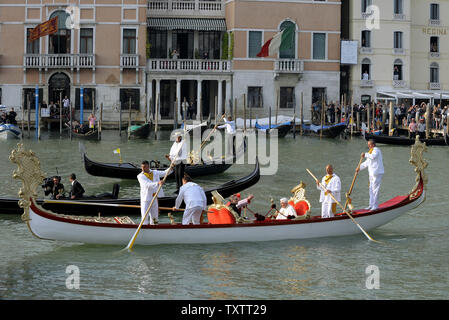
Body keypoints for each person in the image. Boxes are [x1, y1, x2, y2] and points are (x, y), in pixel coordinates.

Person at [137, 160, 172, 225]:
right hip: (146, 199)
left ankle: (154, 226)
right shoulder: (140, 176)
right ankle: (144, 226)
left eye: (145, 167)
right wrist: (158, 183)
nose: (143, 169)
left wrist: (171, 167)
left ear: (148, 167)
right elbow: (147, 185)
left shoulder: (155, 172)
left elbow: (165, 173)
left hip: (154, 197)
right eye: (142, 167)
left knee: (155, 216)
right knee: (145, 216)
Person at [356, 140, 384, 211]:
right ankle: (371, 205)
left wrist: (365, 154)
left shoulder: (376, 150)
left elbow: (373, 157)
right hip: (371, 173)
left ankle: (375, 205)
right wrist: (359, 167)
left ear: (373, 144)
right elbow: (367, 162)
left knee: (375, 189)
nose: (369, 146)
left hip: (377, 172)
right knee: (371, 189)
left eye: (370, 144)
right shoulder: (370, 152)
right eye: (368, 145)